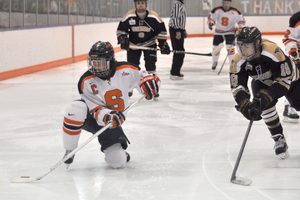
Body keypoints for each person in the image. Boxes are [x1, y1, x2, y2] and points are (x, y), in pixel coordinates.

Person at [62, 41, 160, 169]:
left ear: (110, 60)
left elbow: (150, 79)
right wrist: (107, 115)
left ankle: (122, 155)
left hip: (112, 122)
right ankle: (69, 151)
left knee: (117, 162)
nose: (96, 67)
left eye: (100, 63)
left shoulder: (127, 70)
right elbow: (94, 108)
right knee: (75, 109)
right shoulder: (86, 81)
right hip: (93, 117)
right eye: (93, 62)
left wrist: (151, 84)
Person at [230, 26, 300, 159]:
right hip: (261, 80)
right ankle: (278, 138)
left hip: (291, 79)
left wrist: (268, 95)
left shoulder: (272, 52)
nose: (242, 50)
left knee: (298, 105)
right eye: (240, 46)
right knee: (263, 105)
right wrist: (244, 103)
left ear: (257, 44)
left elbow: (284, 80)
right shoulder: (238, 60)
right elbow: (237, 85)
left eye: (247, 46)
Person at [116, 0, 170, 98]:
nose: (140, 5)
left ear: (146, 5)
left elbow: (161, 31)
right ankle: (129, 88)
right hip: (134, 45)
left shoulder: (153, 17)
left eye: (142, 3)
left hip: (149, 44)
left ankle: (154, 88)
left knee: (151, 67)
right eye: (138, 3)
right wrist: (123, 39)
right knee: (132, 67)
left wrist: (163, 44)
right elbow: (121, 30)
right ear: (135, 5)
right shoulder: (129, 16)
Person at [207, 0, 245, 70]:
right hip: (218, 32)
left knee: (230, 49)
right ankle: (215, 62)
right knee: (216, 49)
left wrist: (240, 28)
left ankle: (232, 64)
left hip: (230, 32)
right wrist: (211, 23)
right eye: (225, 3)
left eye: (228, 3)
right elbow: (210, 18)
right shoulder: (217, 10)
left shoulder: (235, 11)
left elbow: (242, 20)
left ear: (230, 3)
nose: (226, 4)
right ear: (222, 3)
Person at [281, 11, 300, 123]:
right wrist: (293, 51)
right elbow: (288, 38)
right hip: (298, 54)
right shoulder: (296, 18)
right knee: (295, 81)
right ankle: (289, 107)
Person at [169, 0, 187, 80]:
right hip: (175, 29)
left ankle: (176, 71)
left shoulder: (181, 4)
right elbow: (176, 18)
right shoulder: (177, 5)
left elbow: (181, 19)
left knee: (180, 51)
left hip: (179, 29)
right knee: (179, 51)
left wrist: (183, 30)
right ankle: (174, 71)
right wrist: (177, 31)